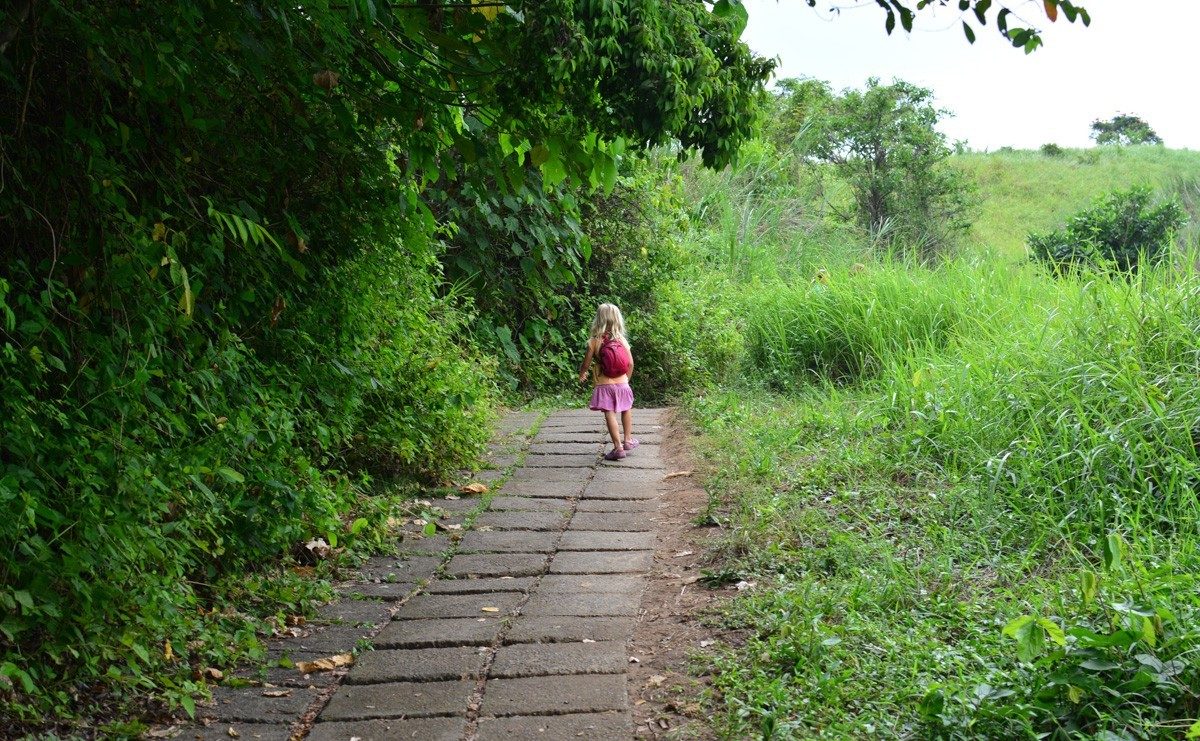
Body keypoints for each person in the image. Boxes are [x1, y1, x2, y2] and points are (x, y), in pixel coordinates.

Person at [578, 303, 638, 461]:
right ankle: (628, 440)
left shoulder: (594, 341)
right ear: (618, 320)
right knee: (626, 409)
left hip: (604, 384)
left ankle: (618, 448)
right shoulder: (621, 340)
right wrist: (626, 381)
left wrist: (582, 373)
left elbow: (586, 363)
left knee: (609, 413)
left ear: (598, 320)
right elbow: (631, 364)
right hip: (623, 382)